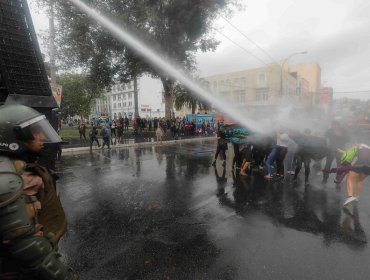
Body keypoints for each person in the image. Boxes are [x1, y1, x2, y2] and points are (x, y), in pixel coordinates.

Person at [0, 104, 78, 279]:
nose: (42, 136)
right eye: (35, 132)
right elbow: (29, 249)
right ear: (13, 137)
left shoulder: (16, 168)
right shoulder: (8, 181)